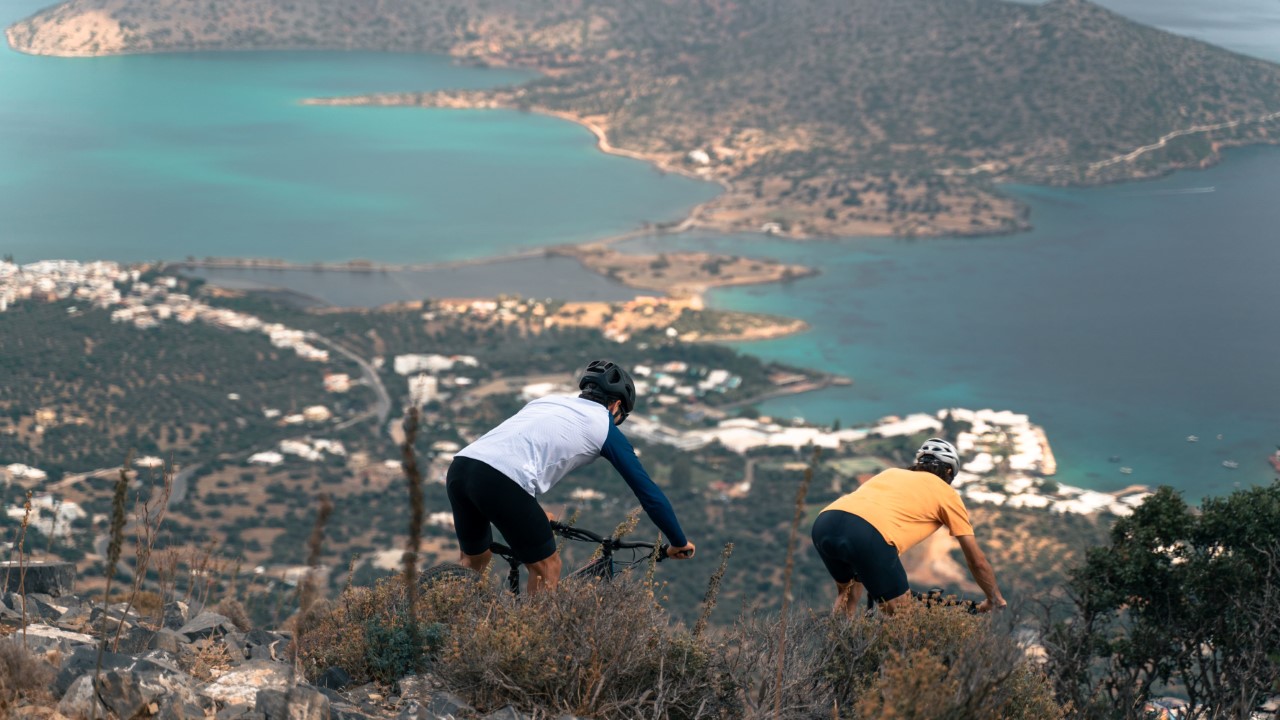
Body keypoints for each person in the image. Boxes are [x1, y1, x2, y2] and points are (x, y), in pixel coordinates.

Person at [445, 359, 697, 593]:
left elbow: (518, 452)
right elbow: (648, 493)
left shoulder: (546, 402)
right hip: (499, 481)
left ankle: (449, 616)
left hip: (462, 467)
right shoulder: (604, 426)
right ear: (616, 405)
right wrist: (678, 540)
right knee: (547, 567)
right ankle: (527, 637)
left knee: (474, 559)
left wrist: (532, 509)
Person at [811, 438, 1006, 614]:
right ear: (948, 471)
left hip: (826, 521)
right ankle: (894, 654)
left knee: (847, 594)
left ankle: (835, 649)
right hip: (867, 534)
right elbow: (976, 560)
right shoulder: (947, 494)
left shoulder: (891, 473)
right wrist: (994, 598)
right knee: (902, 614)